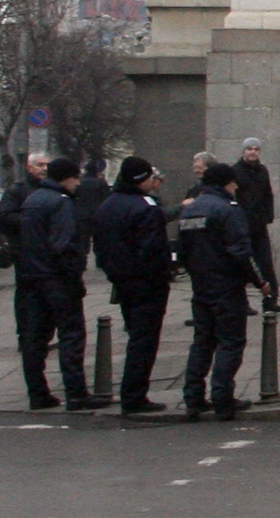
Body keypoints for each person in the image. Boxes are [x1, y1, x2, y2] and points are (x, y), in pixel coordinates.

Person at [180, 161, 272, 420]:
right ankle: (222, 398)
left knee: (202, 342)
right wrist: (260, 282)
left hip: (201, 287)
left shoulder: (190, 210)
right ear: (225, 183)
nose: (236, 186)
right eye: (233, 182)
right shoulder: (229, 210)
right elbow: (242, 253)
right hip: (227, 287)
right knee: (230, 343)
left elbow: (183, 253)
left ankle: (193, 398)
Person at [14, 156, 103, 411]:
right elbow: (63, 245)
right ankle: (76, 393)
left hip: (32, 278)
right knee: (71, 336)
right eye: (75, 179)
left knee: (36, 338)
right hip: (58, 280)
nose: (77, 184)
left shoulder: (32, 200)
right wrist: (74, 276)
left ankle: (37, 392)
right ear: (68, 177)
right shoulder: (61, 203)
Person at [89, 156, 176, 414]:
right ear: (141, 179)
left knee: (135, 335)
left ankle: (132, 393)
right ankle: (135, 395)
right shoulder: (145, 207)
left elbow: (101, 248)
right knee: (145, 340)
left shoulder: (108, 205)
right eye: (149, 176)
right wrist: (164, 272)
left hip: (122, 281)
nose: (153, 180)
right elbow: (153, 249)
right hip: (147, 283)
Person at [233, 138, 279, 297]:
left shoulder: (262, 171)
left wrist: (268, 215)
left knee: (266, 263)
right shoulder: (235, 171)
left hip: (259, 223)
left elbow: (268, 194)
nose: (252, 152)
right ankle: (242, 302)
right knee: (241, 264)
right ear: (243, 151)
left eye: (256, 149)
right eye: (249, 149)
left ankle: (272, 299)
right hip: (242, 224)